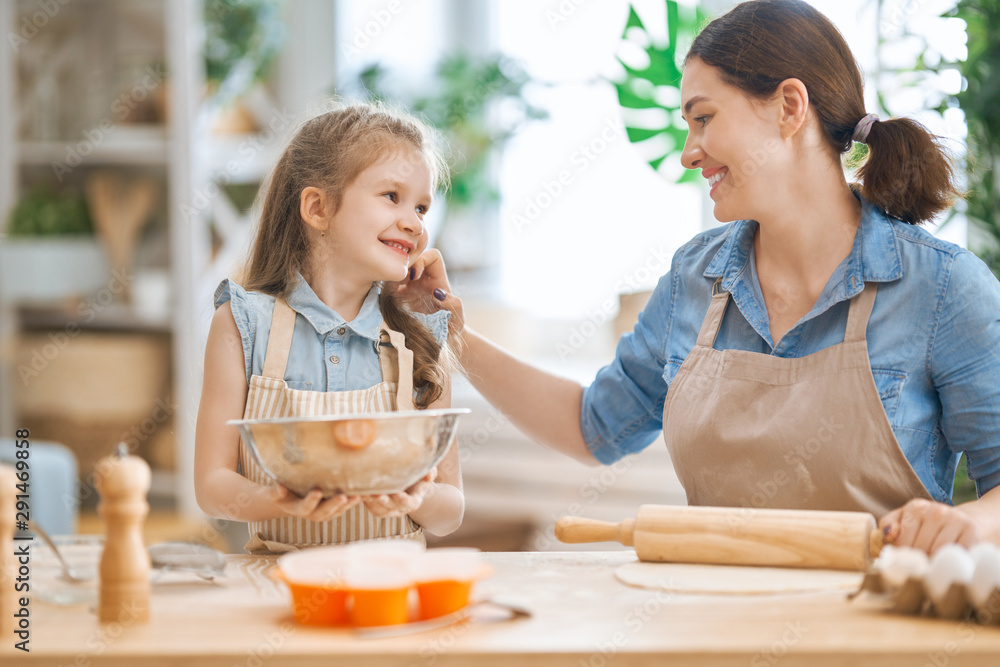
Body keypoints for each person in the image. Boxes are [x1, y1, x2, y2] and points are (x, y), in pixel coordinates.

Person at [401, 0, 1000, 555]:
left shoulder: (942, 287)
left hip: (876, 630)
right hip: (709, 626)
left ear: (790, 107)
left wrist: (971, 523)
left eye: (704, 118)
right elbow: (593, 428)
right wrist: (447, 331)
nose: (691, 151)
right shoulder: (696, 276)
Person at [195, 103, 463, 553]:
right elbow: (212, 486)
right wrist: (278, 501)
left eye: (421, 207)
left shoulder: (419, 335)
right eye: (391, 197)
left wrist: (421, 496)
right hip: (278, 594)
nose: (414, 222)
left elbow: (451, 509)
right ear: (318, 208)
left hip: (388, 592)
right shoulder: (241, 324)